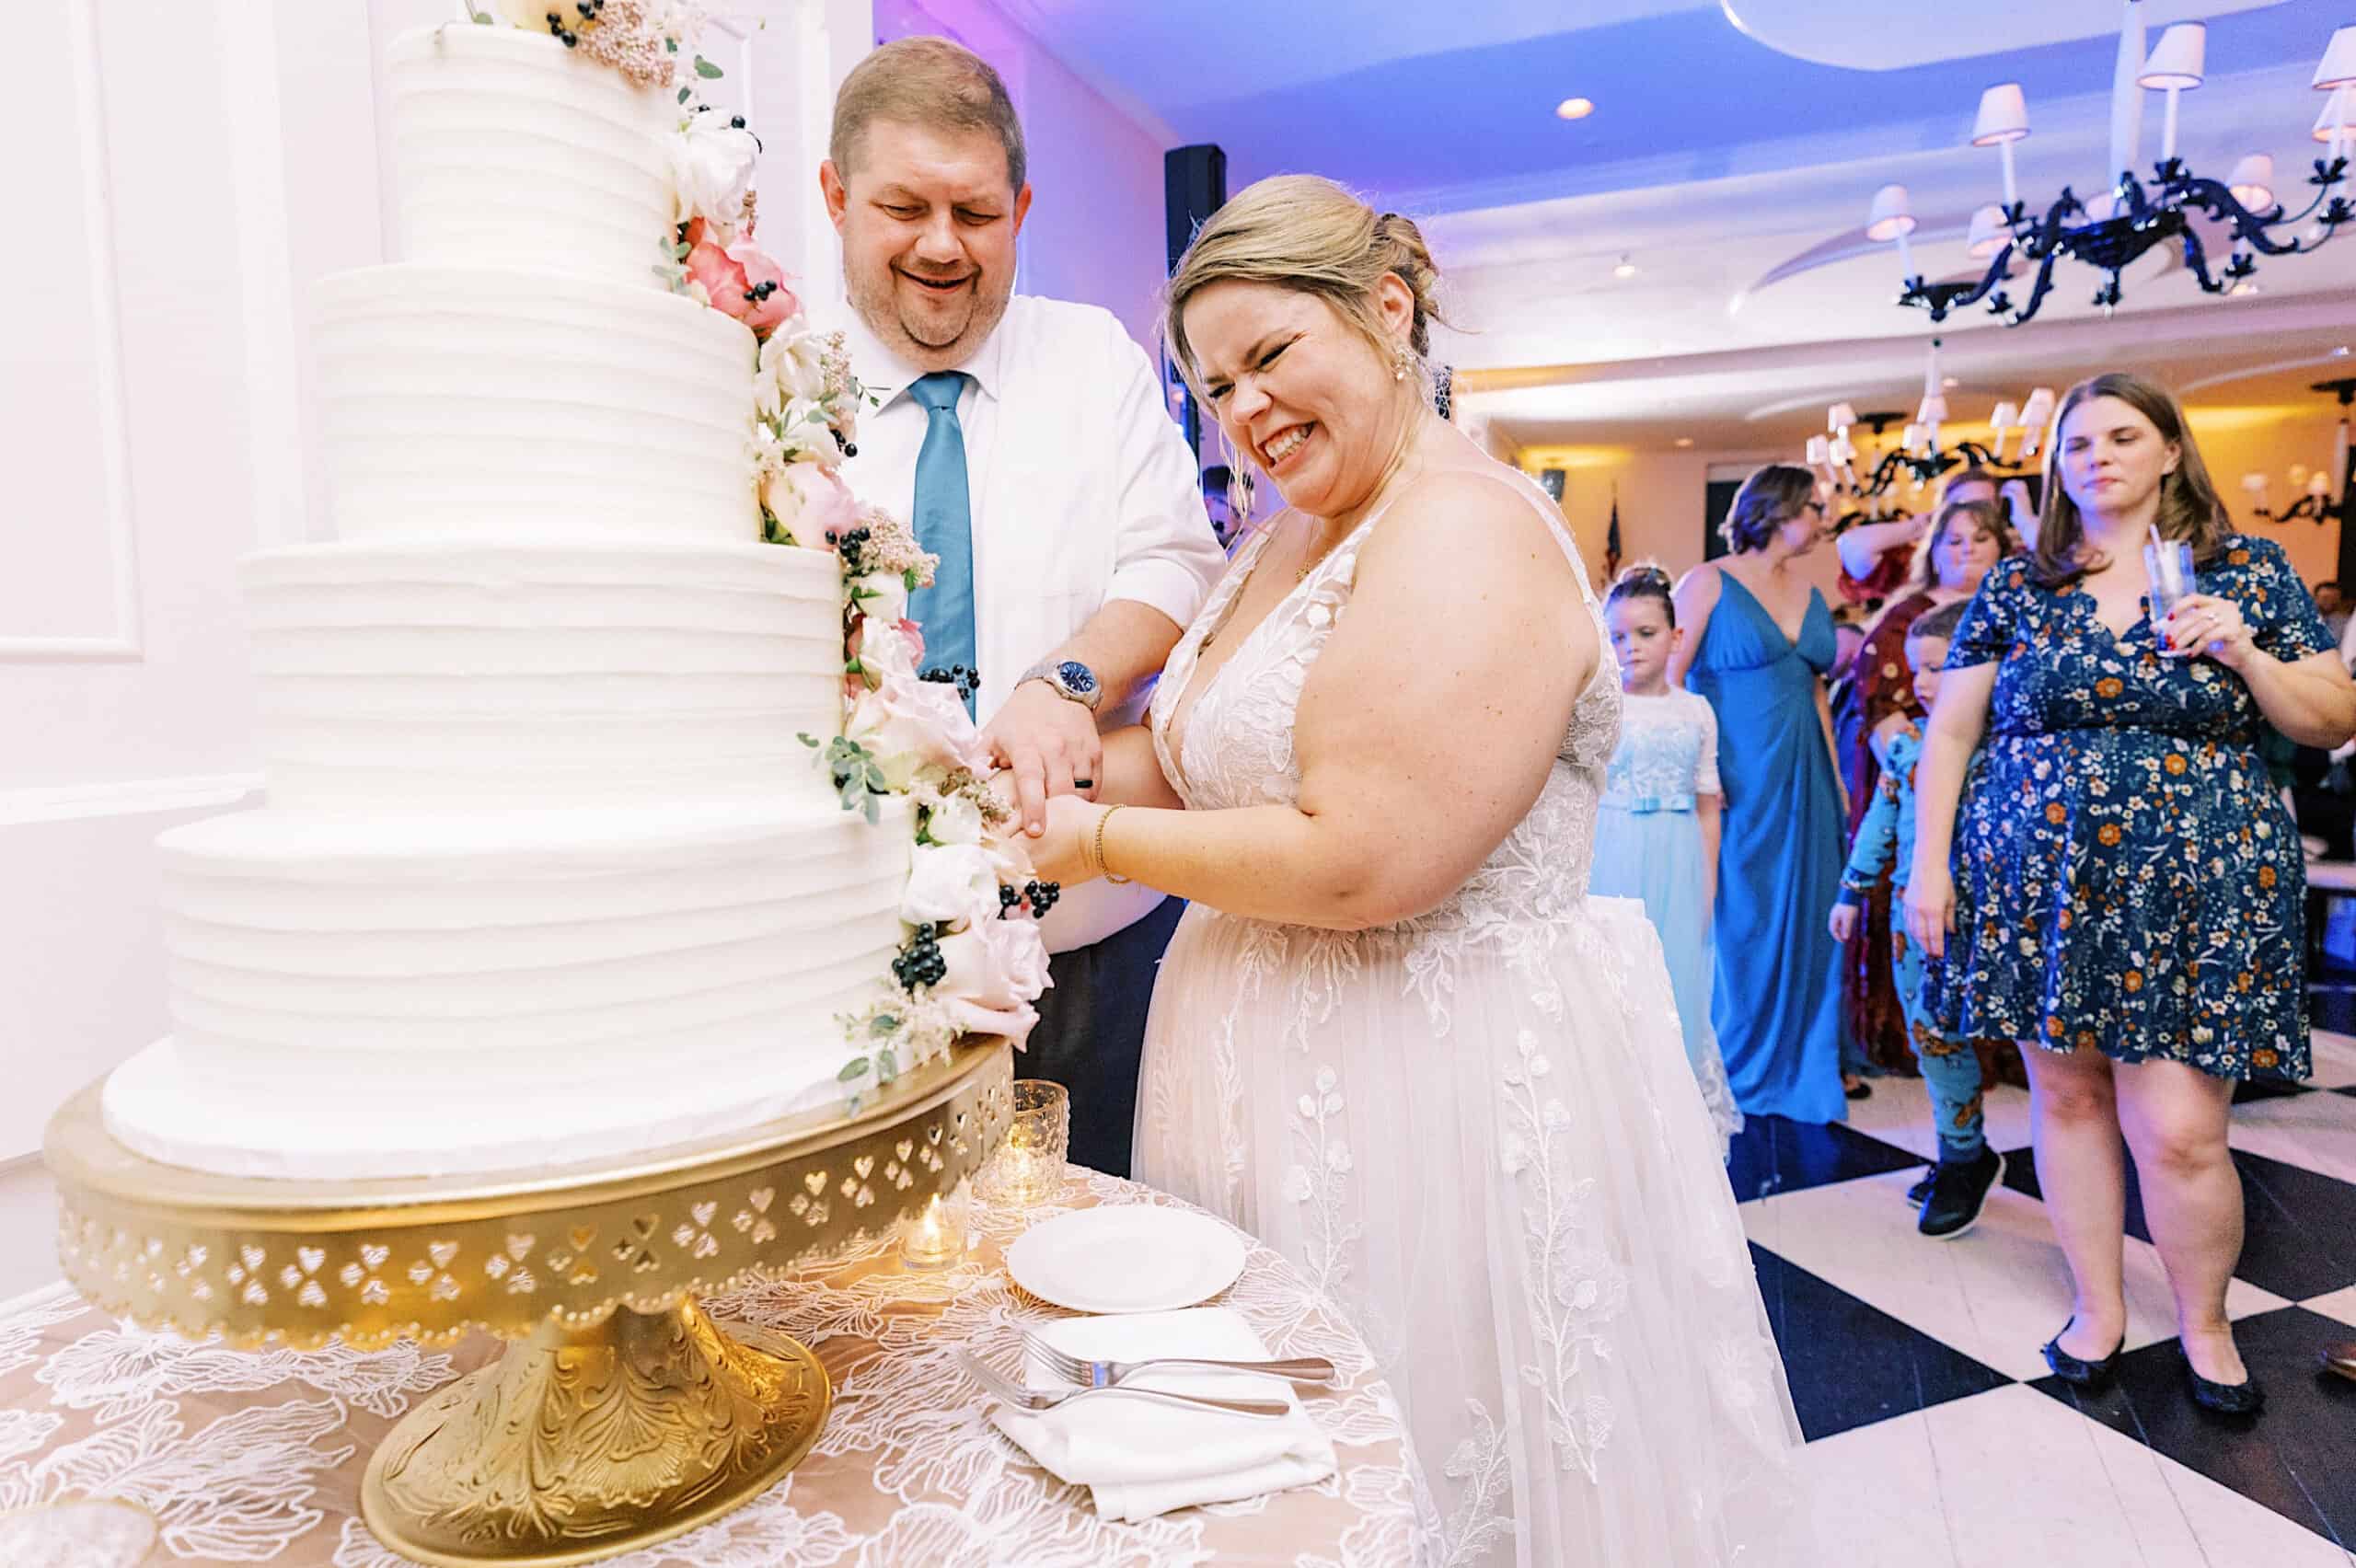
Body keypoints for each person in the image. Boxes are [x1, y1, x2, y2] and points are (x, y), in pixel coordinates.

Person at [1026, 175, 1808, 1562]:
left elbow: (1365, 858)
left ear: (1386, 310)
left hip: (1427, 1089)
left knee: (1424, 1459)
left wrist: (1085, 842)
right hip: (1264, 1069)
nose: (1247, 411)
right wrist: (1031, 766)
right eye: (1217, 387)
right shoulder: (1287, 536)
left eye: (1272, 356)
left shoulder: (1466, 526)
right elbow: (1204, 755)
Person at [1907, 372, 2356, 1414]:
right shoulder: (2021, 583)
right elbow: (1955, 732)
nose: (2094, 456)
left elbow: (2328, 719)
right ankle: (2096, 1306)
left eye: (2120, 436)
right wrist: (1929, 864)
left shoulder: (2245, 568)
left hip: (2194, 886)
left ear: (2167, 451)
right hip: (2039, 881)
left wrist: (2239, 646)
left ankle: (2204, 1325)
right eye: (2074, 444)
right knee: (2064, 1097)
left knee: (2181, 1128)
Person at [818, 38, 1225, 1176]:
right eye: (904, 206)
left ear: (1023, 207)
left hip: (1088, 951)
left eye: (977, 214)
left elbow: (1177, 564)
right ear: (835, 197)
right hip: (842, 966)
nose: (942, 246)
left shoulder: (1093, 361)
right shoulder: (770, 382)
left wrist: (1068, 683)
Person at [1671, 466, 1855, 1121]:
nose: (1823, 521)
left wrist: (1835, 778)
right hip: (1736, 769)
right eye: (1814, 508)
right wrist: (1696, 771)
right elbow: (1671, 679)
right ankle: (1732, 1057)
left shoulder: (1809, 589)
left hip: (1805, 773)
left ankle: (1804, 1063)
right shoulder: (1707, 582)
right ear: (1779, 510)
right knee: (1742, 916)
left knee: (1810, 914)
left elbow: (1816, 692)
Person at [1830, 600, 2004, 1237]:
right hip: (1914, 916)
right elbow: (1881, 820)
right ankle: (1962, 1154)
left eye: (1937, 669)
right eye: (1916, 671)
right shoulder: (1908, 748)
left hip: (1986, 915)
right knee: (1932, 1033)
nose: (1921, 685)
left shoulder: (2007, 753)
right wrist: (1852, 891)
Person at [1833, 496, 2010, 1078]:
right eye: (1952, 541)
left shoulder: (2021, 605)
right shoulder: (1908, 616)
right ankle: (1959, 1142)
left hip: (1996, 862)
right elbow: (1877, 699)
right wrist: (1852, 891)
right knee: (1929, 1012)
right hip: (1917, 849)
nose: (1964, 552)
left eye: (1979, 540)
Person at [1594, 563, 1740, 1154]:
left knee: (1679, 977)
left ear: (1677, 637)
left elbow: (1709, 802)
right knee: (1613, 984)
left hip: (1679, 854)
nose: (1631, 648)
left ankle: (1673, 1131)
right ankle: (1616, 1123)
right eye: (1618, 637)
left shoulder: (1695, 711)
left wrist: (1705, 882)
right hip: (1613, 849)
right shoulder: (1603, 709)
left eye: (1646, 634)